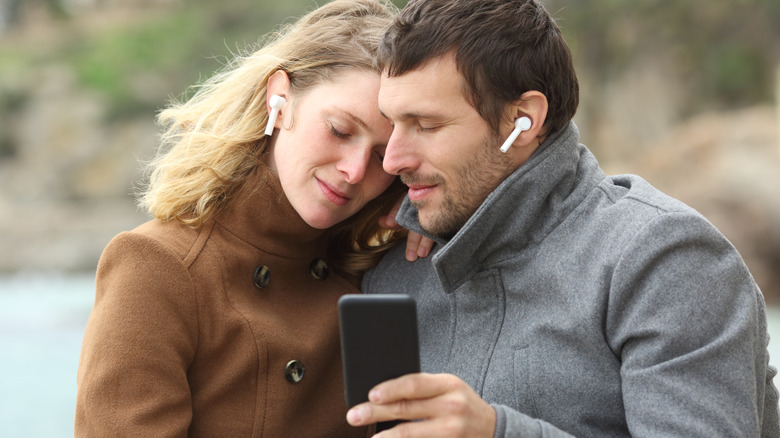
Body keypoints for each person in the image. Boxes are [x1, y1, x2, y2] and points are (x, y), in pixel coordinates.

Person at [348, 0, 780, 436]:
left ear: (522, 120)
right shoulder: (394, 274)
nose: (393, 161)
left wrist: (497, 432)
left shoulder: (665, 260)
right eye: (392, 126)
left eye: (424, 125)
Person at [74, 1, 407, 436]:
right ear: (279, 98)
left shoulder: (382, 273)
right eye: (340, 131)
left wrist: (434, 227)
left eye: (383, 156)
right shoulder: (157, 266)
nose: (355, 170)